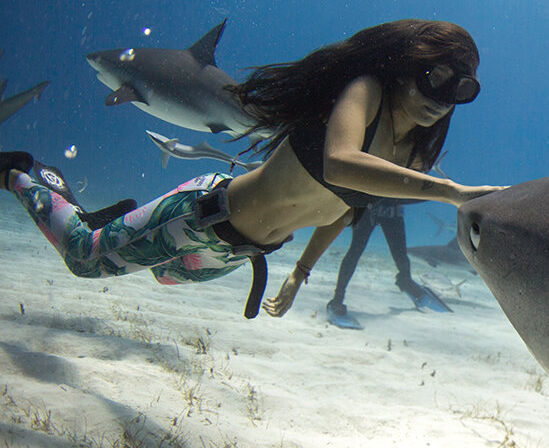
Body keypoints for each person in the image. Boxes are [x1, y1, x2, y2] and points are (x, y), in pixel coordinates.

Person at [1, 19, 500, 318]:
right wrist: (450, 191)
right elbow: (340, 165)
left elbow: (343, 211)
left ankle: (119, 220)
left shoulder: (411, 155)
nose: (442, 98)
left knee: (164, 277)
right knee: (86, 260)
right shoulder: (365, 92)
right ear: (405, 64)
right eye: (435, 77)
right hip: (203, 215)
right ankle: (26, 174)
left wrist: (300, 273)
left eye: (461, 89)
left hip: (239, 253)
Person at [324, 197, 451, 330]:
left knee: (400, 254)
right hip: (367, 208)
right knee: (355, 252)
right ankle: (338, 298)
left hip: (393, 209)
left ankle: (406, 280)